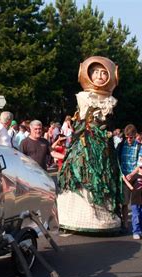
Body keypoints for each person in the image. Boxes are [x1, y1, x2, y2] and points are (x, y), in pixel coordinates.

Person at [58, 56, 123, 233]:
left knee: (103, 173)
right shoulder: (85, 96)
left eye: (104, 73)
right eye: (96, 72)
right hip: (85, 143)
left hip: (102, 145)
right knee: (83, 173)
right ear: (88, 74)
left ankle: (102, 214)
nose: (100, 76)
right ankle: (77, 216)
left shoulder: (109, 100)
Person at [117, 124, 142, 231]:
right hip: (124, 177)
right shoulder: (121, 146)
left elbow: (141, 163)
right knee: (124, 203)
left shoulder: (140, 146)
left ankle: (138, 225)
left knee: (137, 203)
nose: (129, 139)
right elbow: (118, 161)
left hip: (135, 177)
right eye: (127, 137)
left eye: (131, 137)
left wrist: (132, 174)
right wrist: (123, 175)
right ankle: (125, 223)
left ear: (135, 136)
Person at [122, 157, 142, 240]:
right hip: (135, 200)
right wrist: (125, 180)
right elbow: (131, 187)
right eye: (140, 167)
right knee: (136, 216)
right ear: (138, 167)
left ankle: (141, 230)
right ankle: (136, 231)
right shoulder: (135, 176)